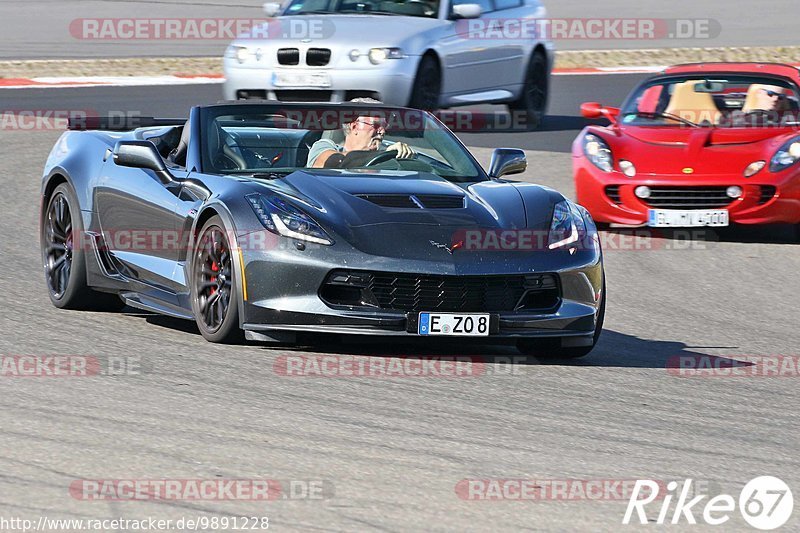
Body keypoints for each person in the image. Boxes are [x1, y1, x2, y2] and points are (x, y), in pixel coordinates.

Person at [306, 98, 414, 168]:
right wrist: (383, 154)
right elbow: (338, 162)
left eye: (384, 127)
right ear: (354, 126)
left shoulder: (387, 156)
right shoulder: (323, 146)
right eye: (376, 125)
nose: (382, 131)